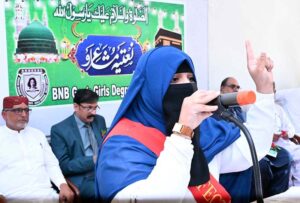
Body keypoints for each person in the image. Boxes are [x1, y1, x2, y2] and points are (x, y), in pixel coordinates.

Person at [95, 42, 276, 202]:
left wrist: (264, 88)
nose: (186, 87)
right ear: (150, 87)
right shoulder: (120, 146)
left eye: (191, 79)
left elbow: (248, 150)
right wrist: (182, 133)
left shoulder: (201, 128)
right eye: (174, 79)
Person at [219, 77, 291, 201]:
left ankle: (275, 197)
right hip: (239, 146)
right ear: (222, 88)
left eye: (238, 87)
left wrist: (267, 140)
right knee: (261, 165)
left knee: (284, 156)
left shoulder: (240, 108)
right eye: (232, 86)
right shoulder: (215, 107)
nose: (236, 89)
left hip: (251, 141)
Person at [0, 96, 74, 202]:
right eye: (18, 110)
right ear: (4, 115)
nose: (24, 115)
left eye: (26, 110)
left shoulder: (38, 135)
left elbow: (51, 164)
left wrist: (62, 184)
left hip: (47, 195)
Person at [51, 89, 107, 201]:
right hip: (83, 178)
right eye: (89, 108)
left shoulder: (100, 120)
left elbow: (105, 144)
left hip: (105, 171)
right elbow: (64, 166)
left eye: (95, 107)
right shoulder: (59, 130)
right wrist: (93, 160)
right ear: (76, 107)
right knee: (106, 193)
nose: (94, 112)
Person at [273, 83, 300, 186]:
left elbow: (290, 128)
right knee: (285, 156)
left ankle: (297, 188)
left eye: (273, 91)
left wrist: (287, 134)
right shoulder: (256, 109)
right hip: (270, 148)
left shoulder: (278, 109)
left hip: (286, 142)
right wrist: (270, 137)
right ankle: (286, 190)